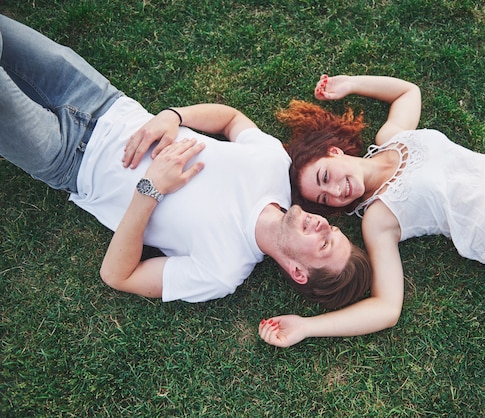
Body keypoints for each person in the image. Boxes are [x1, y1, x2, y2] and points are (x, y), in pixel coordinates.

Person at [0, 15, 371, 309]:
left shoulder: (222, 271)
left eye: (324, 246)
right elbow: (230, 120)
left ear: (298, 272)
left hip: (68, 160)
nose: (324, 226)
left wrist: (151, 189)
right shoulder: (274, 165)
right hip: (102, 99)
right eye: (334, 232)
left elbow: (118, 275)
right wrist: (173, 116)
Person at [258, 74, 485, 347]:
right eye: (324, 200)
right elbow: (387, 308)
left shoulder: (393, 139)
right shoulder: (379, 219)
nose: (336, 191)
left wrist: (351, 84)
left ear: (335, 153)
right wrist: (308, 326)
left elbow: (407, 92)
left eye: (325, 177)